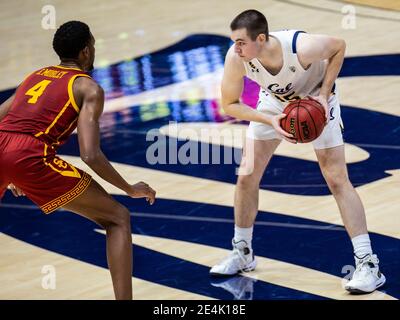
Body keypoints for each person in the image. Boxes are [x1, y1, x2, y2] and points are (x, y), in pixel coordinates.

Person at [209, 9, 385, 294]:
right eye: (234, 42)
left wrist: (325, 94)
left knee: (337, 179)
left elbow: (339, 45)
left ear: (261, 39)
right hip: (275, 103)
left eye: (242, 42)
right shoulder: (236, 58)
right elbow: (229, 104)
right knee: (246, 175)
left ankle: (368, 265)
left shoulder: (300, 47)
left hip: (315, 102)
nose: (236, 48)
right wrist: (271, 120)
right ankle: (242, 251)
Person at [0, 21, 156, 300]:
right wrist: (129, 188)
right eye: (93, 46)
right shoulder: (88, 87)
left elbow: (3, 117)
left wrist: (11, 171)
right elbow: (90, 154)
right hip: (29, 156)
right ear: (86, 51)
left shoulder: (36, 75)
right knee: (118, 218)